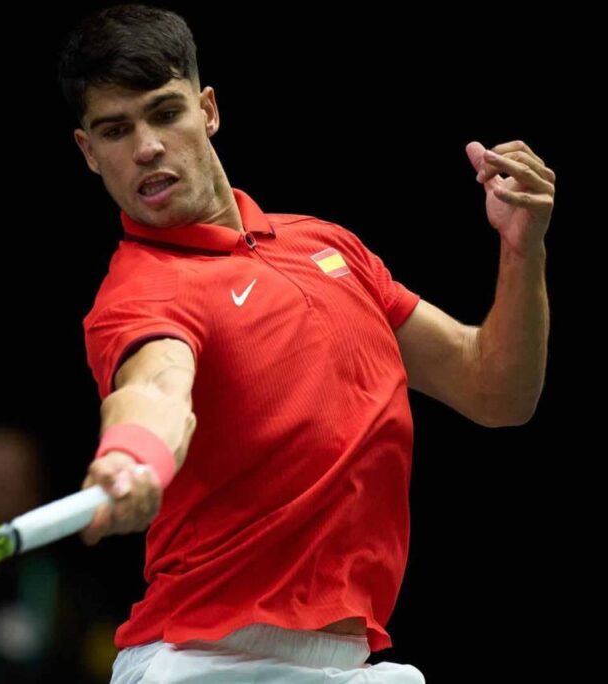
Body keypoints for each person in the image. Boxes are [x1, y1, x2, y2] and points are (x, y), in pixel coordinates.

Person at [57, 5, 552, 683]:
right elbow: (154, 388)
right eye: (116, 130)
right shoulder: (144, 291)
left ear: (208, 110)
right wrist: (132, 457)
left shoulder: (328, 247)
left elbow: (495, 391)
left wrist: (522, 253)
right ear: (89, 151)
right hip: (208, 663)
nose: (146, 147)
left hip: (350, 662)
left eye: (164, 113)